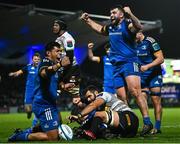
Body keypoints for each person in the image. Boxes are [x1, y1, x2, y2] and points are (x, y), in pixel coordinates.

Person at [80, 5, 153, 136]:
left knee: (135, 91)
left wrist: (130, 14)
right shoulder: (111, 27)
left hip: (129, 62)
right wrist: (88, 20)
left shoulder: (127, 25)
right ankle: (128, 121)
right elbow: (99, 29)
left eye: (114, 12)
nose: (111, 15)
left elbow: (139, 27)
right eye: (110, 13)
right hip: (116, 66)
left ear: (121, 15)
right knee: (121, 97)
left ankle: (147, 122)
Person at [8, 42, 71, 142]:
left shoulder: (55, 65)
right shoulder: (45, 62)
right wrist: (60, 64)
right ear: (48, 53)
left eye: (60, 51)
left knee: (58, 125)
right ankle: (18, 137)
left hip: (51, 104)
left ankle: (28, 131)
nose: (59, 53)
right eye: (57, 51)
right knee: (53, 138)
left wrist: (64, 86)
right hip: (44, 105)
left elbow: (56, 82)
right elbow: (44, 73)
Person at [69, 85, 139, 139]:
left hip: (129, 118)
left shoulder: (102, 94)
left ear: (96, 92)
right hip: (127, 130)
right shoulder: (100, 105)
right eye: (87, 98)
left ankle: (91, 133)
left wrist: (79, 116)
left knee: (98, 114)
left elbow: (93, 105)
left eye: (89, 96)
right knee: (99, 124)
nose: (89, 99)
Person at [136, 31, 164, 134]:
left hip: (154, 74)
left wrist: (148, 66)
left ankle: (157, 127)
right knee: (141, 98)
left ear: (139, 33)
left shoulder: (150, 41)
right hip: (141, 76)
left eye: (134, 34)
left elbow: (161, 58)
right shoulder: (133, 43)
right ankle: (147, 123)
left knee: (155, 99)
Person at [9, 53, 41, 126]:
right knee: (28, 109)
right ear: (32, 59)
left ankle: (35, 123)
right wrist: (15, 73)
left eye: (38, 59)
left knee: (37, 107)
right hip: (29, 90)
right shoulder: (28, 67)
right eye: (35, 59)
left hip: (38, 90)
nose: (37, 60)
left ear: (40, 60)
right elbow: (20, 71)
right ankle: (29, 113)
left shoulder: (41, 68)